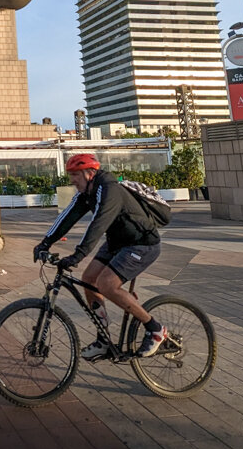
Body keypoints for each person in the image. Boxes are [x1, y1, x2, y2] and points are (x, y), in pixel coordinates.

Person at [32, 153, 167, 360]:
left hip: (141, 244)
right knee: (88, 280)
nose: (72, 180)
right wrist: (45, 242)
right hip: (117, 243)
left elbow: (99, 223)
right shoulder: (87, 192)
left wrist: (78, 255)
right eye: (71, 175)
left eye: (75, 175)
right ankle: (103, 340)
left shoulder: (109, 189)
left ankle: (155, 329)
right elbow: (68, 216)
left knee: (107, 284)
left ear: (90, 173)